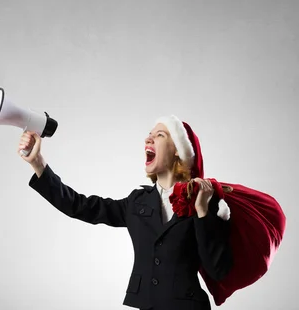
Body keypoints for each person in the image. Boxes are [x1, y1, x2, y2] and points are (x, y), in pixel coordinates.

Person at [18, 115, 233, 310]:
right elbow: (80, 206)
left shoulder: (203, 200)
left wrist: (202, 211)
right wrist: (38, 164)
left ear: (178, 149)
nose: (148, 140)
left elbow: (217, 270)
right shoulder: (136, 202)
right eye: (148, 136)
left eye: (159, 135)